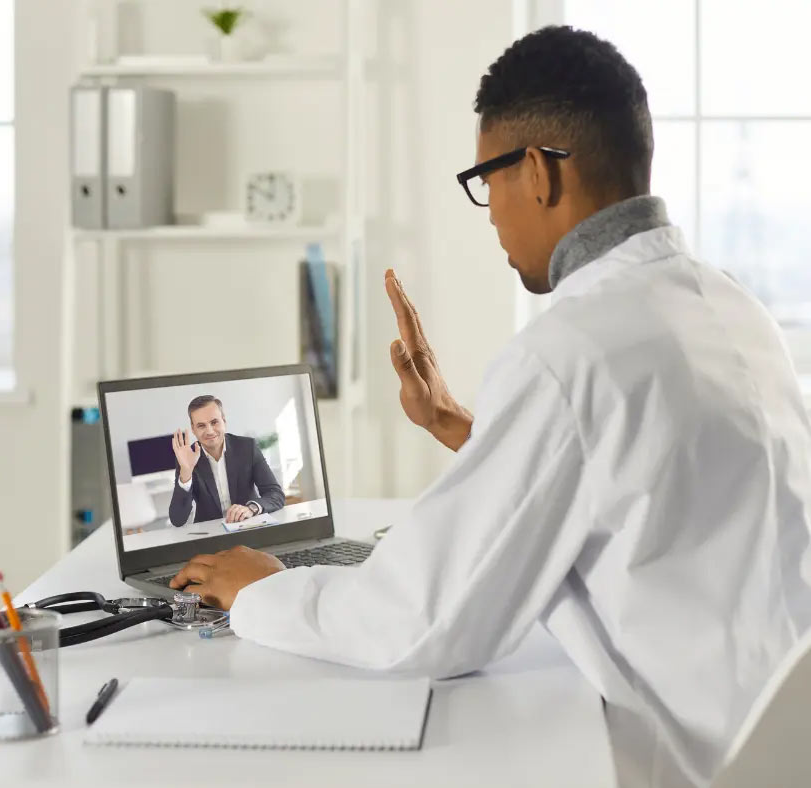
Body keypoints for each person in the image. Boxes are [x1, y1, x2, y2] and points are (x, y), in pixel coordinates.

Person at [168, 26, 811, 788]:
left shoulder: (569, 350)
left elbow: (426, 620)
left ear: (535, 171)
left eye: (486, 180)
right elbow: (637, 480)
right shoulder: (727, 303)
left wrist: (263, 590)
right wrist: (459, 427)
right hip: (780, 738)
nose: (490, 212)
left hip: (701, 761)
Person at [168, 395, 285, 526]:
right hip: (211, 536)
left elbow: (275, 494)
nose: (209, 431)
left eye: (214, 422)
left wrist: (251, 509)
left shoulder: (247, 447)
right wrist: (186, 473)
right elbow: (178, 520)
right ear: (193, 429)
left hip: (248, 526)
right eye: (201, 425)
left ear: (224, 421)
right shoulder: (187, 458)